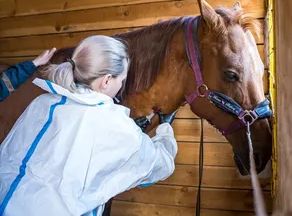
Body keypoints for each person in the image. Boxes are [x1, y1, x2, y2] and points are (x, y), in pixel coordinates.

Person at [0, 35, 178, 216]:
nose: (121, 85)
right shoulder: (115, 124)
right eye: (122, 80)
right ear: (107, 80)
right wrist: (165, 130)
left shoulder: (43, 102)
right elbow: (156, 167)